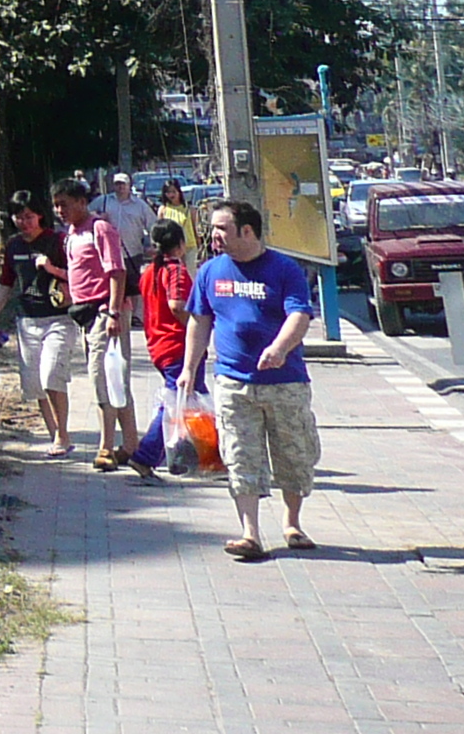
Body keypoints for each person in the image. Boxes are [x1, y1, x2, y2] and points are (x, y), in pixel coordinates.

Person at [182, 198, 319, 561]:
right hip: (232, 382)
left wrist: (279, 348)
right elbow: (199, 320)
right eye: (213, 229)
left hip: (285, 382)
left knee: (294, 456)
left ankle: (292, 523)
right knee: (240, 457)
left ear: (247, 231)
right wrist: (189, 367)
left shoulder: (284, 269)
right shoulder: (211, 271)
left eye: (221, 229)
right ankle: (250, 533)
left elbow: (300, 316)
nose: (215, 236)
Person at [0, 195, 78, 458]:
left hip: (60, 319)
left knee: (51, 376)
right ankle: (55, 435)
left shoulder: (58, 241)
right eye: (19, 217)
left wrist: (51, 268)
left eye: (29, 217)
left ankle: (63, 435)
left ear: (40, 216)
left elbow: (79, 277)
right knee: (35, 384)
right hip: (27, 322)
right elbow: (5, 285)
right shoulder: (12, 246)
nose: (24, 223)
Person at [55, 178, 137, 469]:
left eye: (64, 204)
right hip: (85, 315)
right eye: (56, 205)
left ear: (81, 202)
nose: (59, 210)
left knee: (101, 377)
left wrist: (114, 312)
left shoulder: (99, 229)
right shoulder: (72, 234)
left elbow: (116, 271)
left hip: (105, 313)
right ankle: (130, 444)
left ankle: (106, 447)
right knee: (115, 378)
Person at [134, 218, 194, 479]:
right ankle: (146, 455)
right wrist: (195, 329)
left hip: (158, 343)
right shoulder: (176, 270)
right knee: (176, 403)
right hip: (178, 344)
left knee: (185, 400)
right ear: (181, 244)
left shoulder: (150, 271)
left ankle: (188, 456)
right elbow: (177, 305)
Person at [100, 172, 159, 270]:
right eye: (118, 184)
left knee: (134, 283)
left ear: (129, 185)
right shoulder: (104, 201)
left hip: (134, 253)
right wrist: (98, 217)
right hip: (110, 254)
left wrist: (153, 246)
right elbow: (88, 214)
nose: (121, 187)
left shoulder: (140, 205)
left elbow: (152, 225)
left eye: (123, 184)